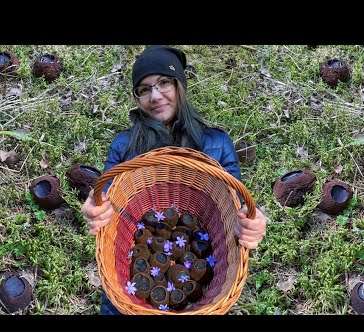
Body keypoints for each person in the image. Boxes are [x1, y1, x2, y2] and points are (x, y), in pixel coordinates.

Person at [81, 45, 267, 315]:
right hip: (125, 302)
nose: (155, 96)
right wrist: (93, 207)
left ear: (180, 85)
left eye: (164, 82)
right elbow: (106, 194)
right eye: (144, 89)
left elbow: (236, 203)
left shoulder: (216, 143)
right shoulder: (125, 145)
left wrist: (253, 220)